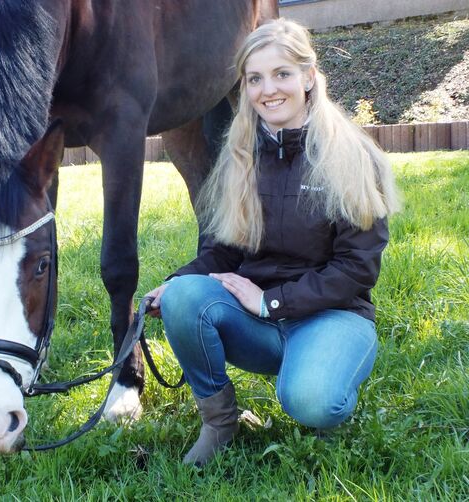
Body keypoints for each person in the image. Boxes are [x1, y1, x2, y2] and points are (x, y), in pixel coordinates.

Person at [146, 18, 400, 466]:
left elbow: (357, 269)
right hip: (258, 323)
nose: (268, 90)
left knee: (311, 402)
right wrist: (176, 283)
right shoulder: (240, 156)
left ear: (307, 76)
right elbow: (225, 249)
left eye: (282, 73)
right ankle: (220, 421)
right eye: (254, 79)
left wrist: (271, 303)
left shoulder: (353, 156)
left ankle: (325, 383)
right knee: (184, 297)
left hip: (333, 318)